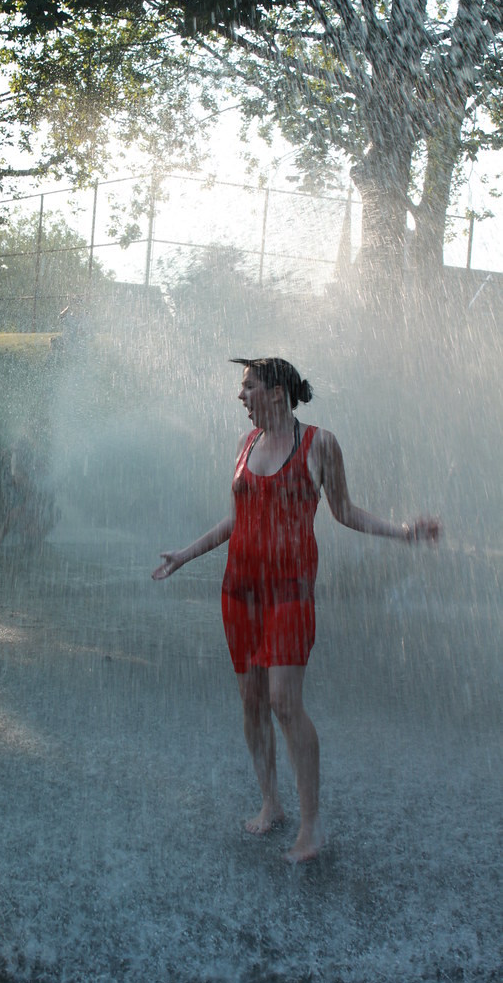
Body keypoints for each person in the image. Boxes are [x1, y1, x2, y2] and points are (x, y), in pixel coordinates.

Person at [152, 357, 441, 864]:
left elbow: (344, 511)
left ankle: (311, 827)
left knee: (284, 701)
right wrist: (184, 554)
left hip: (290, 591)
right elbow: (236, 519)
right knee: (251, 701)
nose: (240, 397)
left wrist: (403, 533)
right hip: (239, 590)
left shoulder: (319, 444)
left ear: (277, 393)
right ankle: (271, 804)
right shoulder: (245, 446)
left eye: (249, 387)